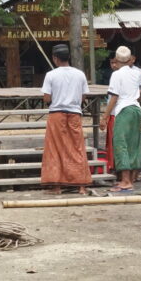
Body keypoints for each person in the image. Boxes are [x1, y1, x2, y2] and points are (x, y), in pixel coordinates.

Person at [40, 44, 92, 195]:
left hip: (56, 113)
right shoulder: (80, 74)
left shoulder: (51, 75)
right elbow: (84, 96)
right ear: (68, 57)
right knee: (77, 148)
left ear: (55, 58)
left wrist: (54, 102)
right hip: (75, 113)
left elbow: (46, 97)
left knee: (55, 149)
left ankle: (57, 186)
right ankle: (81, 186)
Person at [100, 46, 141, 192]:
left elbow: (114, 97)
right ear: (130, 59)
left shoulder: (116, 75)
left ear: (117, 60)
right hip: (136, 109)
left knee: (120, 143)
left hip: (123, 109)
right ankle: (132, 178)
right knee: (134, 143)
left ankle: (125, 181)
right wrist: (138, 94)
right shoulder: (136, 73)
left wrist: (105, 116)